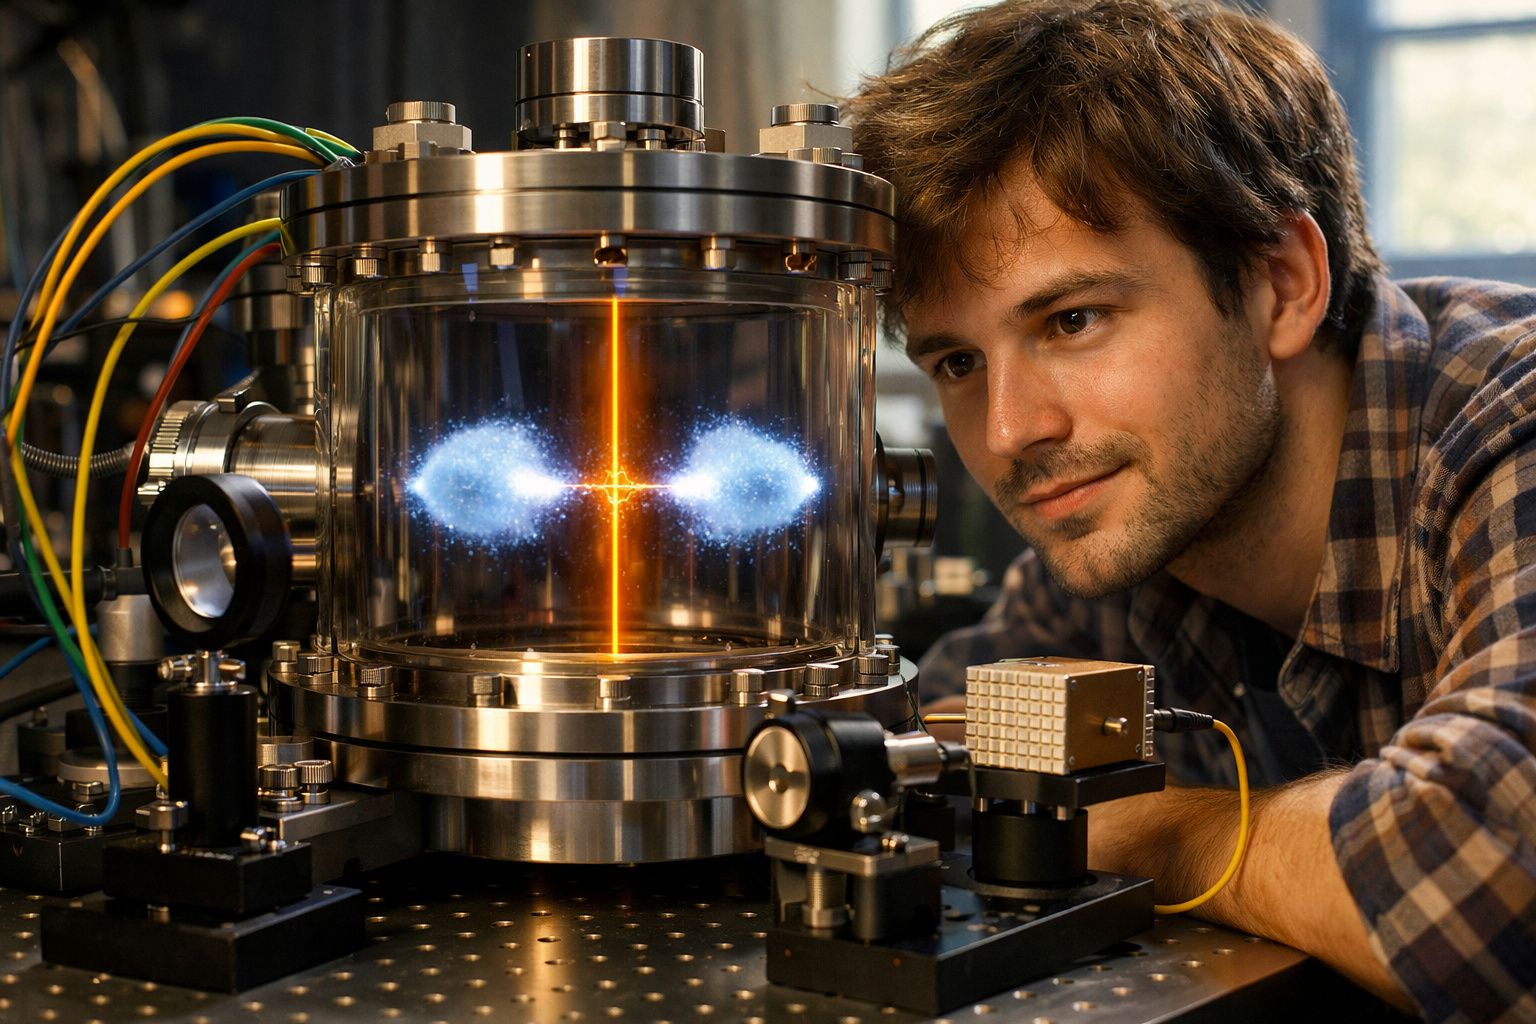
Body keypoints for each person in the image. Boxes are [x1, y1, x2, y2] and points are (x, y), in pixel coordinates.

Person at [847, 1, 1536, 1020]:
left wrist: (1177, 831)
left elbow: (1480, 886)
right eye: (957, 361)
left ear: (1282, 284)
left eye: (1073, 319)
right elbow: (918, 756)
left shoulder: (1508, 423)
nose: (1007, 432)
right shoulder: (1124, 546)